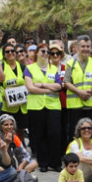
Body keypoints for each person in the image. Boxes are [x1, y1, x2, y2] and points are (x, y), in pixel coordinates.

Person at [25, 43, 64, 172]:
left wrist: (41, 85)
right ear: (36, 53)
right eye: (43, 51)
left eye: (48, 52)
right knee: (40, 135)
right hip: (36, 107)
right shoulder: (29, 68)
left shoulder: (53, 69)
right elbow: (30, 87)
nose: (46, 54)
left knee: (54, 134)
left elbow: (58, 86)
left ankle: (55, 162)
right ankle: (43, 163)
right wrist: (48, 88)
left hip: (53, 106)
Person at [62, 35, 92, 139]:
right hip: (75, 106)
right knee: (75, 135)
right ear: (77, 47)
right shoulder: (70, 64)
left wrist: (91, 90)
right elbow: (66, 81)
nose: (85, 49)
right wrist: (79, 92)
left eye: (88, 46)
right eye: (83, 46)